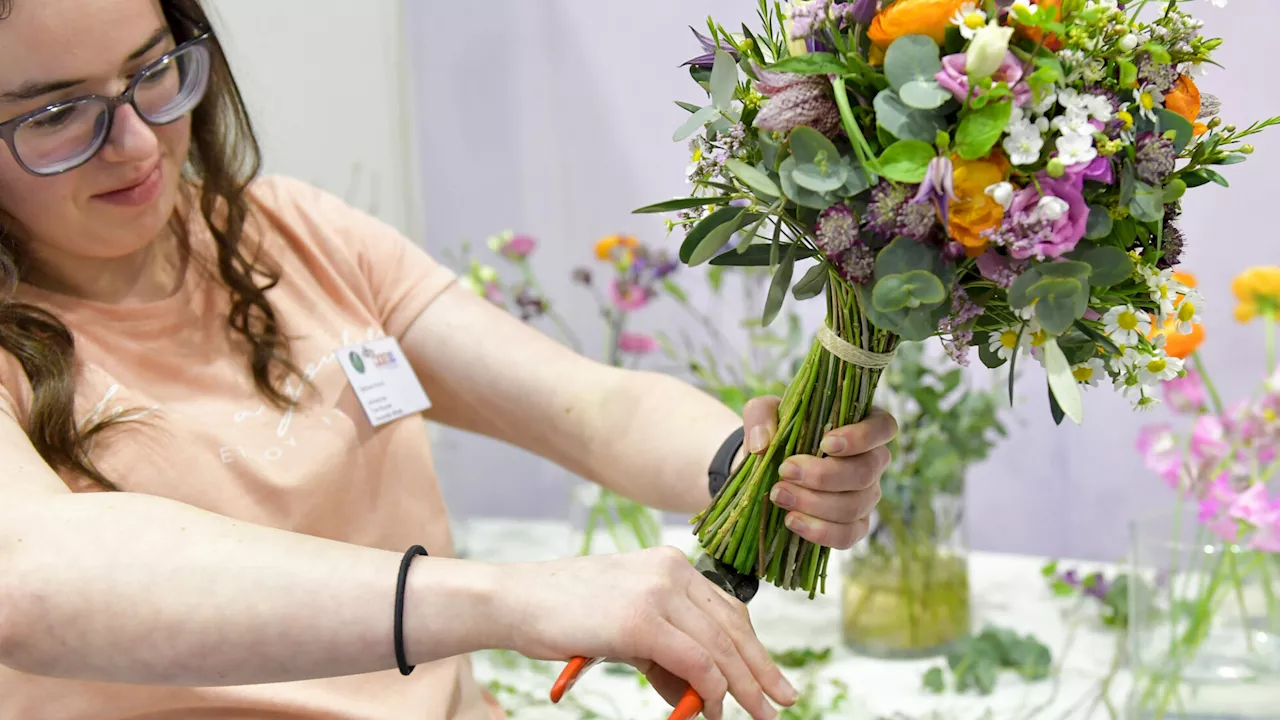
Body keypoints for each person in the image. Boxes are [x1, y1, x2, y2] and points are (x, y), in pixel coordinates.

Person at [0, 1, 897, 719]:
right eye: (54, 114)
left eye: (154, 70)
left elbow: (588, 407)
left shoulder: (291, 235)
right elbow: (32, 578)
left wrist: (756, 470)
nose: (136, 141)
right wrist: (512, 601)